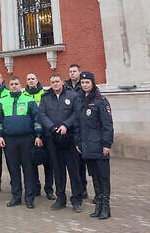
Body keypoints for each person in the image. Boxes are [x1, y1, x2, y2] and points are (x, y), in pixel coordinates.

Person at [0, 76, 42, 209]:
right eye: (12, 84)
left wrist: (38, 135)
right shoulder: (2, 101)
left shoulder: (29, 100)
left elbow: (36, 119)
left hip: (27, 139)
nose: (14, 86)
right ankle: (16, 196)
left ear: (20, 85)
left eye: (16, 84)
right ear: (8, 86)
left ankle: (29, 198)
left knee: (28, 169)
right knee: (13, 169)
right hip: (9, 140)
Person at [39, 73, 83, 212]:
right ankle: (61, 198)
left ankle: (76, 199)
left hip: (69, 138)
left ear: (62, 83)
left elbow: (76, 113)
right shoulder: (45, 97)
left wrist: (65, 125)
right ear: (50, 83)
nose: (55, 84)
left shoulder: (72, 96)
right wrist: (52, 127)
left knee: (74, 170)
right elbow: (42, 115)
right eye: (52, 82)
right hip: (53, 138)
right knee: (58, 170)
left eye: (57, 81)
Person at [75, 71, 114, 220]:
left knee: (103, 176)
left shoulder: (101, 101)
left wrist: (107, 144)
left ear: (93, 83)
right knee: (95, 177)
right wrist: (78, 141)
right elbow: (78, 124)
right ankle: (98, 205)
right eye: (83, 83)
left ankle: (106, 206)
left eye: (87, 82)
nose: (85, 85)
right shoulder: (79, 101)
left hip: (99, 145)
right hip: (86, 146)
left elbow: (107, 125)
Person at [24, 73, 55, 200]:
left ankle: (49, 189)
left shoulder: (45, 94)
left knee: (49, 163)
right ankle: (35, 188)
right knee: (32, 162)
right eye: (28, 79)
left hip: (46, 133)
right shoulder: (23, 96)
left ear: (37, 80)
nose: (31, 81)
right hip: (30, 133)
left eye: (33, 79)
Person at [66, 64, 89, 199]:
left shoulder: (84, 87)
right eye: (70, 71)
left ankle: (83, 188)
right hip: (70, 128)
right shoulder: (66, 87)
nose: (72, 73)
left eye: (74, 71)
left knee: (81, 162)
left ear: (79, 73)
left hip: (81, 127)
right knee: (74, 161)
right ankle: (77, 188)